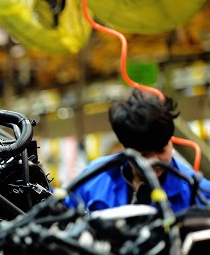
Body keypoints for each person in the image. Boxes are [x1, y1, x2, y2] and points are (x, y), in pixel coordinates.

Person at [67, 89, 210, 212]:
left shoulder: (199, 193)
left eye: (161, 151)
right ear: (125, 147)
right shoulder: (94, 179)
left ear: (170, 141)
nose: (155, 161)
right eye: (144, 154)